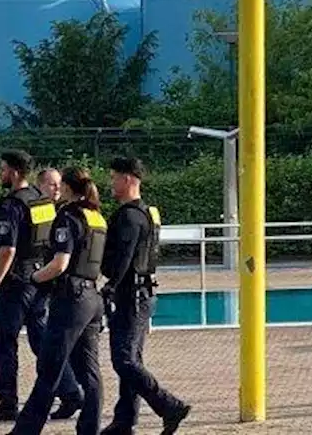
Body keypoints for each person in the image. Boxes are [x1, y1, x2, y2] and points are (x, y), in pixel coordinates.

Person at [0, 150, 83, 424]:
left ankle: (7, 402)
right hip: (39, 281)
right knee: (43, 342)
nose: (0, 174)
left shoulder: (11, 205)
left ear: (15, 172)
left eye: (3, 169)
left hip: (16, 284)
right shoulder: (42, 203)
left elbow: (8, 250)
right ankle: (71, 392)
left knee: (5, 343)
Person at [8, 167, 107, 435]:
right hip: (91, 297)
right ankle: (89, 429)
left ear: (66, 187)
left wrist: (36, 278)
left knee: (49, 368)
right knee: (89, 371)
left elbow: (60, 263)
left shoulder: (68, 216)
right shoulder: (96, 216)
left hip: (70, 299)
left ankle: (24, 432)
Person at [99, 156, 191, 435]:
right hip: (143, 291)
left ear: (128, 179)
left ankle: (169, 405)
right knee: (131, 360)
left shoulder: (128, 216)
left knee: (123, 360)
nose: (111, 183)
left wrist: (110, 284)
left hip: (131, 294)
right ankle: (125, 420)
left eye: (114, 177)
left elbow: (124, 257)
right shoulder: (147, 213)